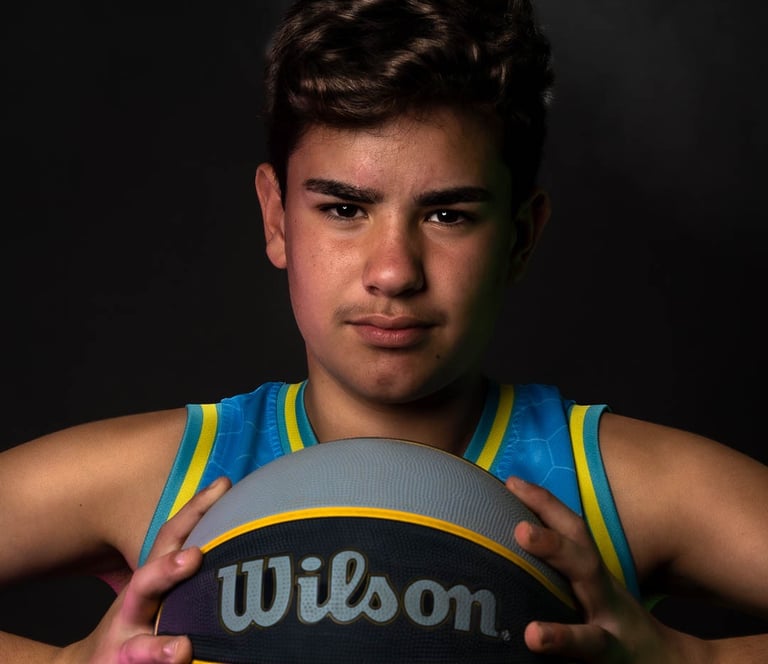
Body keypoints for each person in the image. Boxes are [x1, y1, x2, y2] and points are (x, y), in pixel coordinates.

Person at [1, 0, 767, 661]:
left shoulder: (619, 485)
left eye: (448, 214)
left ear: (522, 237)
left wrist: (688, 660)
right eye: (343, 209)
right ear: (277, 219)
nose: (394, 271)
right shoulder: (167, 476)